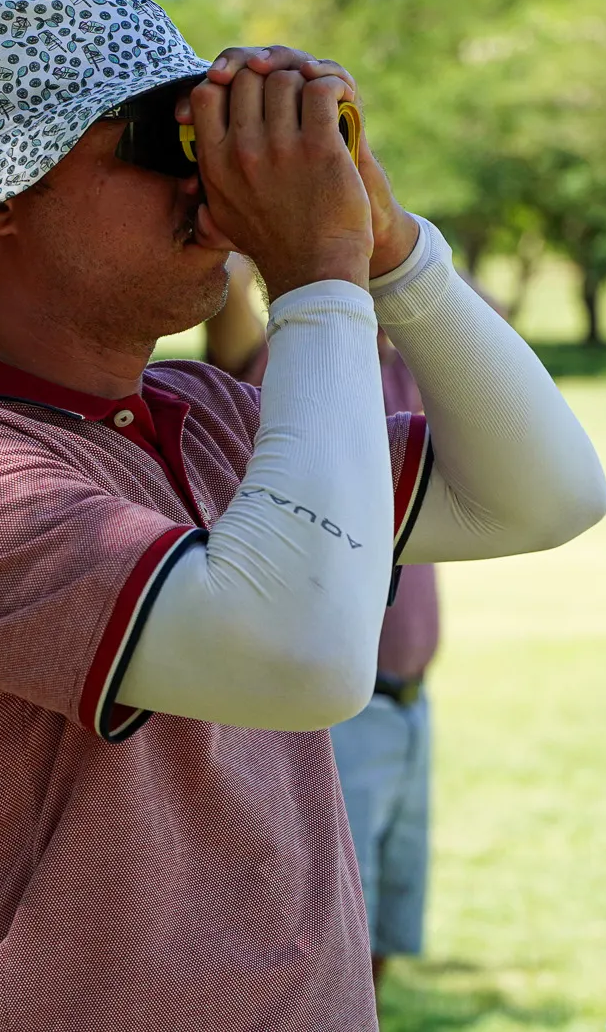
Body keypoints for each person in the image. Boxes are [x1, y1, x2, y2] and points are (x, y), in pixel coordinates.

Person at [0, 0, 606, 1031]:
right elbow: (303, 660)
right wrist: (317, 274)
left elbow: (543, 497)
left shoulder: (212, 415)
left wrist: (387, 241)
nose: (206, 184)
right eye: (158, 140)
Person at [204, 256, 454, 992]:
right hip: (331, 713)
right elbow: (228, 309)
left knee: (376, 940)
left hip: (408, 705)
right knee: (321, 947)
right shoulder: (286, 360)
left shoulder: (400, 363)